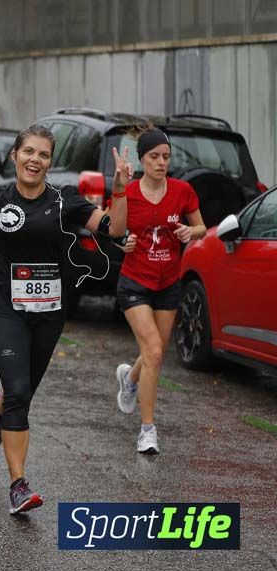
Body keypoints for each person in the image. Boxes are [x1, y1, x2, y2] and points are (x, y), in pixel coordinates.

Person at [0, 126, 130, 514]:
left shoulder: (67, 201)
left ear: (51, 162)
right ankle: (18, 485)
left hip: (49, 309)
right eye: (28, 151)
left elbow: (115, 228)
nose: (35, 160)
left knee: (21, 395)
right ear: (15, 156)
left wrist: (120, 190)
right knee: (18, 391)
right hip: (3, 305)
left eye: (43, 154)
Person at [114, 126, 205, 455]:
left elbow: (201, 226)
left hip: (168, 283)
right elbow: (117, 230)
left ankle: (129, 380)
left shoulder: (182, 191)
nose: (161, 162)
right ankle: (148, 430)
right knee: (153, 352)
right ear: (142, 159)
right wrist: (124, 241)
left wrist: (188, 231)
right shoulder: (131, 192)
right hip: (135, 281)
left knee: (154, 354)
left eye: (166, 157)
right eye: (154, 156)